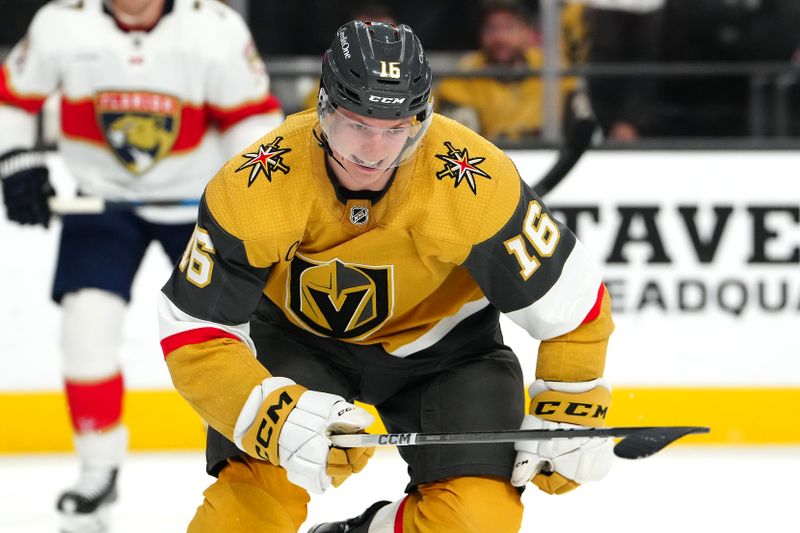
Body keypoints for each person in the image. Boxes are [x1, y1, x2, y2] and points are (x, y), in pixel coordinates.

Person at [159, 20, 614, 533]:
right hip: (297, 344)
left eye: (397, 129)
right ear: (324, 110)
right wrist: (268, 413)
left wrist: (572, 400)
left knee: (475, 522)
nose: (375, 152)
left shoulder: (475, 181)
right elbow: (194, 331)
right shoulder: (258, 182)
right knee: (244, 517)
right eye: (358, 124)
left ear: (422, 120)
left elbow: (572, 303)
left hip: (447, 354)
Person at [0, 0, 282, 531]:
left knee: (244, 330)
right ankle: (97, 470)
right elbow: (13, 98)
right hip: (100, 204)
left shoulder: (213, 27)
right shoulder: (61, 22)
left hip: (197, 209)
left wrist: (246, 194)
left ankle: (255, 464)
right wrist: (15, 159)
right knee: (85, 333)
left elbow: (254, 119)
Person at [434, 0, 583, 143]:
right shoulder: (464, 75)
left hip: (549, 155)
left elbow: (580, 118)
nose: (500, 37)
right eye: (491, 28)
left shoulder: (551, 67)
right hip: (489, 160)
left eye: (509, 27)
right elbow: (461, 140)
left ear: (527, 32)